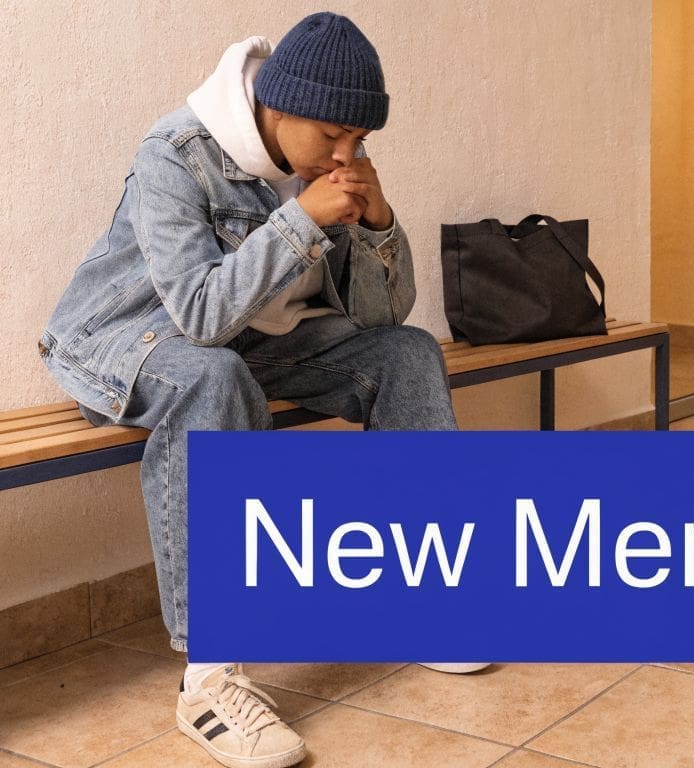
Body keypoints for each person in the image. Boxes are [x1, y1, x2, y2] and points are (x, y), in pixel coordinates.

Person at [39, 13, 485, 768]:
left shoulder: (327, 166)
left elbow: (383, 317)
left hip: (245, 345)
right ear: (277, 107)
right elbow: (199, 317)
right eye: (333, 135)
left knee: (408, 354)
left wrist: (379, 226)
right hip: (124, 347)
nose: (346, 154)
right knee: (213, 378)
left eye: (359, 139)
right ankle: (210, 681)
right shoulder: (175, 154)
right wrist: (300, 221)